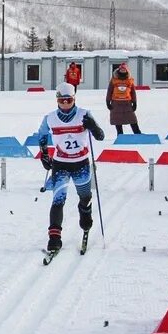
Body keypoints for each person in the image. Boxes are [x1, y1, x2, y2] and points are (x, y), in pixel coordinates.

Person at [37, 83, 106, 252]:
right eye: (61, 100)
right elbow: (42, 135)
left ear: (74, 99)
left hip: (81, 164)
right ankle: (54, 238)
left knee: (85, 197)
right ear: (57, 100)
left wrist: (93, 127)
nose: (65, 104)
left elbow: (101, 136)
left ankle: (85, 216)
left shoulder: (84, 115)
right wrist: (44, 154)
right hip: (60, 164)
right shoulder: (50, 118)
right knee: (58, 200)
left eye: (68, 100)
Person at [105, 63, 141, 135]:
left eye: (124, 69)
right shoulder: (113, 80)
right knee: (117, 119)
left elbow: (133, 92)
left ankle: (137, 133)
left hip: (127, 103)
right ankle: (120, 134)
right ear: (119, 70)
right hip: (116, 103)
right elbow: (110, 91)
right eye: (121, 69)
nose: (123, 70)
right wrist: (108, 101)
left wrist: (134, 102)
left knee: (132, 119)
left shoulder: (130, 80)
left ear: (126, 70)